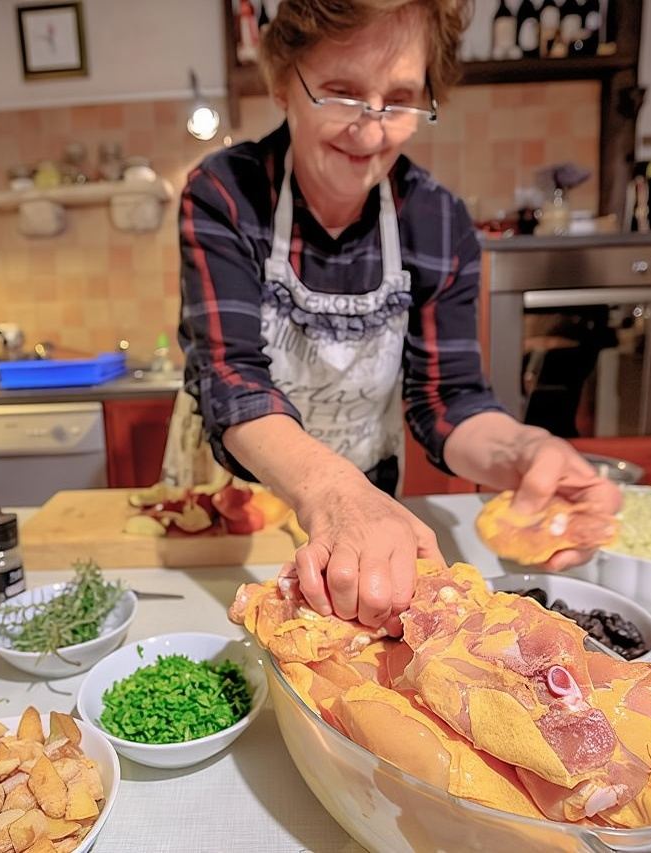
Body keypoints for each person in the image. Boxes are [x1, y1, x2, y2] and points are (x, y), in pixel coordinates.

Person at [176, 0, 619, 635]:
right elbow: (231, 378)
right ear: (282, 82)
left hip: (368, 516)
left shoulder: (436, 219)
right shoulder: (225, 193)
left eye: (401, 99)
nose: (372, 130)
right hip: (237, 511)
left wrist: (521, 452)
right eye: (341, 92)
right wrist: (334, 492)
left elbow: (448, 400)